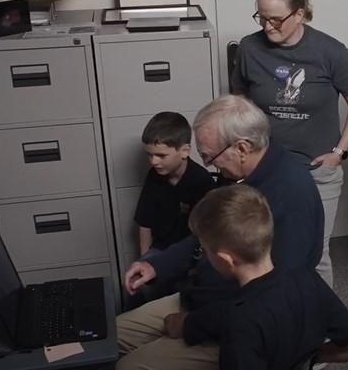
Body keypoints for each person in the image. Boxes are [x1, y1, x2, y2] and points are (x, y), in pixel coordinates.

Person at [116, 95, 324, 370]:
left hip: (238, 322)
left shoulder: (291, 194)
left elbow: (270, 300)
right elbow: (205, 235)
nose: (210, 165)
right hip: (202, 296)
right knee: (113, 334)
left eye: (208, 156)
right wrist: (156, 264)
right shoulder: (240, 173)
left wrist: (191, 325)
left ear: (241, 147)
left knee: (130, 366)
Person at [231, 0, 348, 289]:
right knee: (264, 250)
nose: (267, 27)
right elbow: (239, 105)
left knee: (314, 254)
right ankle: (275, 322)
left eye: (276, 20)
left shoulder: (331, 52)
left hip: (317, 172)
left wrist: (339, 152)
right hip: (266, 169)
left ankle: (322, 331)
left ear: (301, 13)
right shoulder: (250, 49)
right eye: (261, 17)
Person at [189, 183, 348, 369]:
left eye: (204, 250)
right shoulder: (308, 277)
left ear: (226, 260)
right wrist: (313, 358)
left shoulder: (239, 321)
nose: (204, 254)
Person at [129, 112, 216, 306]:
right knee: (138, 285)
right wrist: (145, 260)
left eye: (161, 155)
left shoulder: (201, 181)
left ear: (184, 151)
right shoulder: (154, 177)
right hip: (160, 248)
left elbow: (208, 234)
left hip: (192, 253)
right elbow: (145, 223)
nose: (154, 162)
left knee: (188, 289)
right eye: (150, 155)